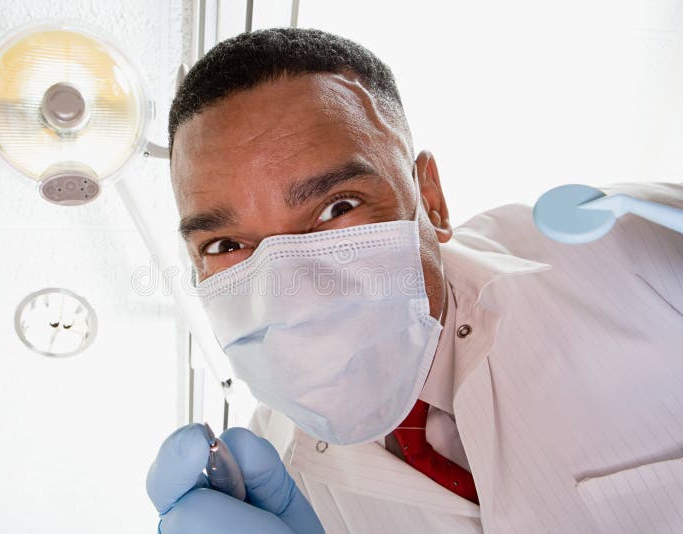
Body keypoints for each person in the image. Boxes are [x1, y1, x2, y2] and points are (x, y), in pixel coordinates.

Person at [146, 28, 683, 533]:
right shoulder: (271, 489)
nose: (294, 285)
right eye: (225, 246)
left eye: (338, 208)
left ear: (430, 199)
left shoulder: (623, 246)